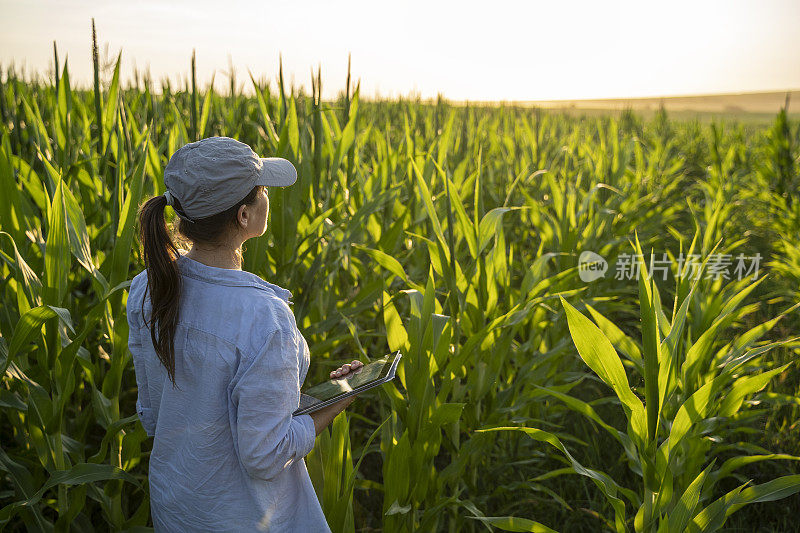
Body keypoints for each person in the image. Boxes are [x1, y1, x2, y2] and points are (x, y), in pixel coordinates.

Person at [126, 136, 364, 532]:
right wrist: (337, 402)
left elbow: (153, 415)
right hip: (245, 519)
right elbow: (265, 455)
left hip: (176, 507)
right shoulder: (263, 318)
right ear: (243, 216)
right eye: (262, 190)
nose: (268, 195)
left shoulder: (146, 288)